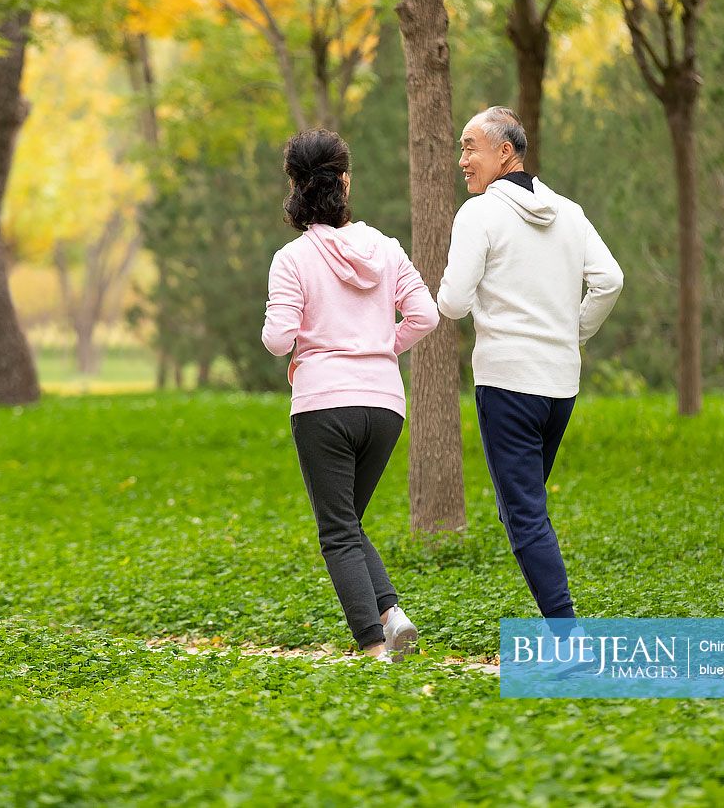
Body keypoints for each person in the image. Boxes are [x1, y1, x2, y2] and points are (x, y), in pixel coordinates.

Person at [438, 107, 623, 647]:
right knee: (520, 504)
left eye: (471, 147)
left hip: (508, 383)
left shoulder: (478, 215)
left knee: (524, 515)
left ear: (505, 152)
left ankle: (569, 639)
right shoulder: (568, 211)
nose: (462, 159)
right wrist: (574, 334)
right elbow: (609, 280)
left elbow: (451, 303)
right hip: (560, 387)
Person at [262, 129, 439, 662]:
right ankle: (393, 614)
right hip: (384, 406)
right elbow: (426, 317)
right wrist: (382, 347)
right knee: (348, 521)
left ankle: (372, 647)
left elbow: (276, 340)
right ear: (345, 180)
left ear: (295, 185)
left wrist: (308, 339)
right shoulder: (387, 250)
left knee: (336, 531)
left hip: (323, 406)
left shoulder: (291, 259)